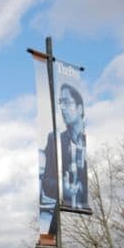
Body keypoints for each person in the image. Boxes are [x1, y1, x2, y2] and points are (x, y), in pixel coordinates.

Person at [39, 83, 88, 239]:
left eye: (67, 102)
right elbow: (46, 182)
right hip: (59, 215)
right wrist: (62, 190)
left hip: (84, 218)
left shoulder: (88, 142)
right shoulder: (55, 139)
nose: (62, 107)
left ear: (80, 109)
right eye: (61, 102)